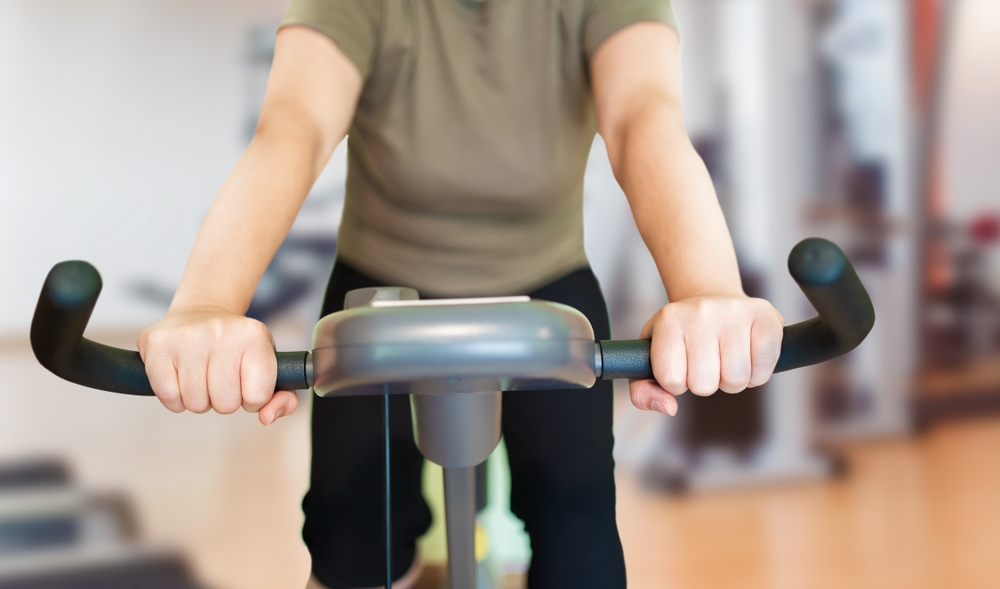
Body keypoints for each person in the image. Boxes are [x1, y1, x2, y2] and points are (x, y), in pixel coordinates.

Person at [137, 1, 784, 588]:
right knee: (352, 540)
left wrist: (706, 288)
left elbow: (644, 120)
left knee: (580, 544)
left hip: (546, 285)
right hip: (381, 290)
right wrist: (207, 304)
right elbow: (293, 129)